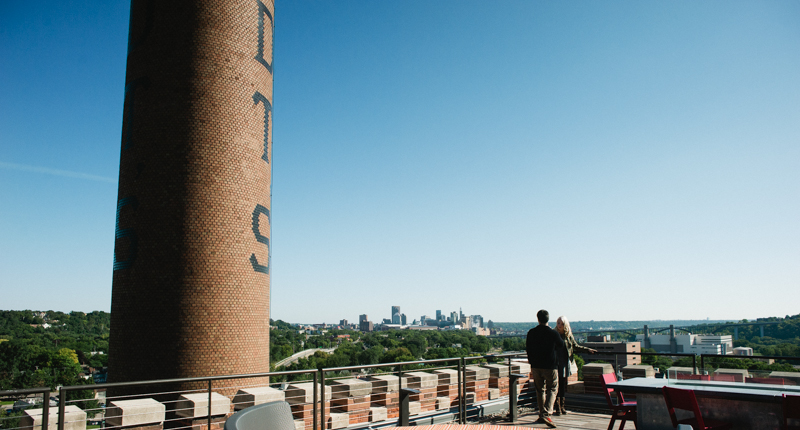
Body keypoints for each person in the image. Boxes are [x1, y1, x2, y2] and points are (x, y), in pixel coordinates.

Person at [526, 309, 564, 428]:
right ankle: (546, 414)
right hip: (550, 366)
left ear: (538, 319)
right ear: (548, 319)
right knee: (553, 389)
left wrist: (531, 362)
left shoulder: (531, 332)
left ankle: (542, 415)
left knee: (540, 390)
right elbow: (561, 345)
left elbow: (528, 348)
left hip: (536, 366)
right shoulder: (552, 333)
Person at [553, 315, 596, 415]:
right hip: (556, 362)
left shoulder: (568, 335)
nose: (559, 325)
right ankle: (557, 407)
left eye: (562, 323)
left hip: (565, 362)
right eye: (558, 323)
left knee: (563, 385)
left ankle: (562, 406)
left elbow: (575, 346)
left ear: (565, 324)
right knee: (557, 384)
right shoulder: (554, 334)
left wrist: (587, 350)